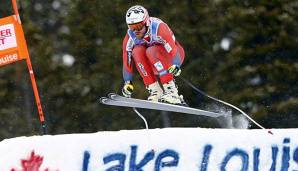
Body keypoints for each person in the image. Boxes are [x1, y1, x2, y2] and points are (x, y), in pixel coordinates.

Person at [121, 5, 185, 105]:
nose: (135, 31)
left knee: (151, 50)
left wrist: (176, 64)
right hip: (154, 64)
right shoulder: (130, 36)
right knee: (137, 51)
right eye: (131, 27)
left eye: (138, 26)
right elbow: (126, 60)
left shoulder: (158, 28)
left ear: (146, 22)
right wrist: (127, 82)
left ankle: (172, 92)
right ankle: (156, 91)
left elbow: (173, 49)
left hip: (173, 57)